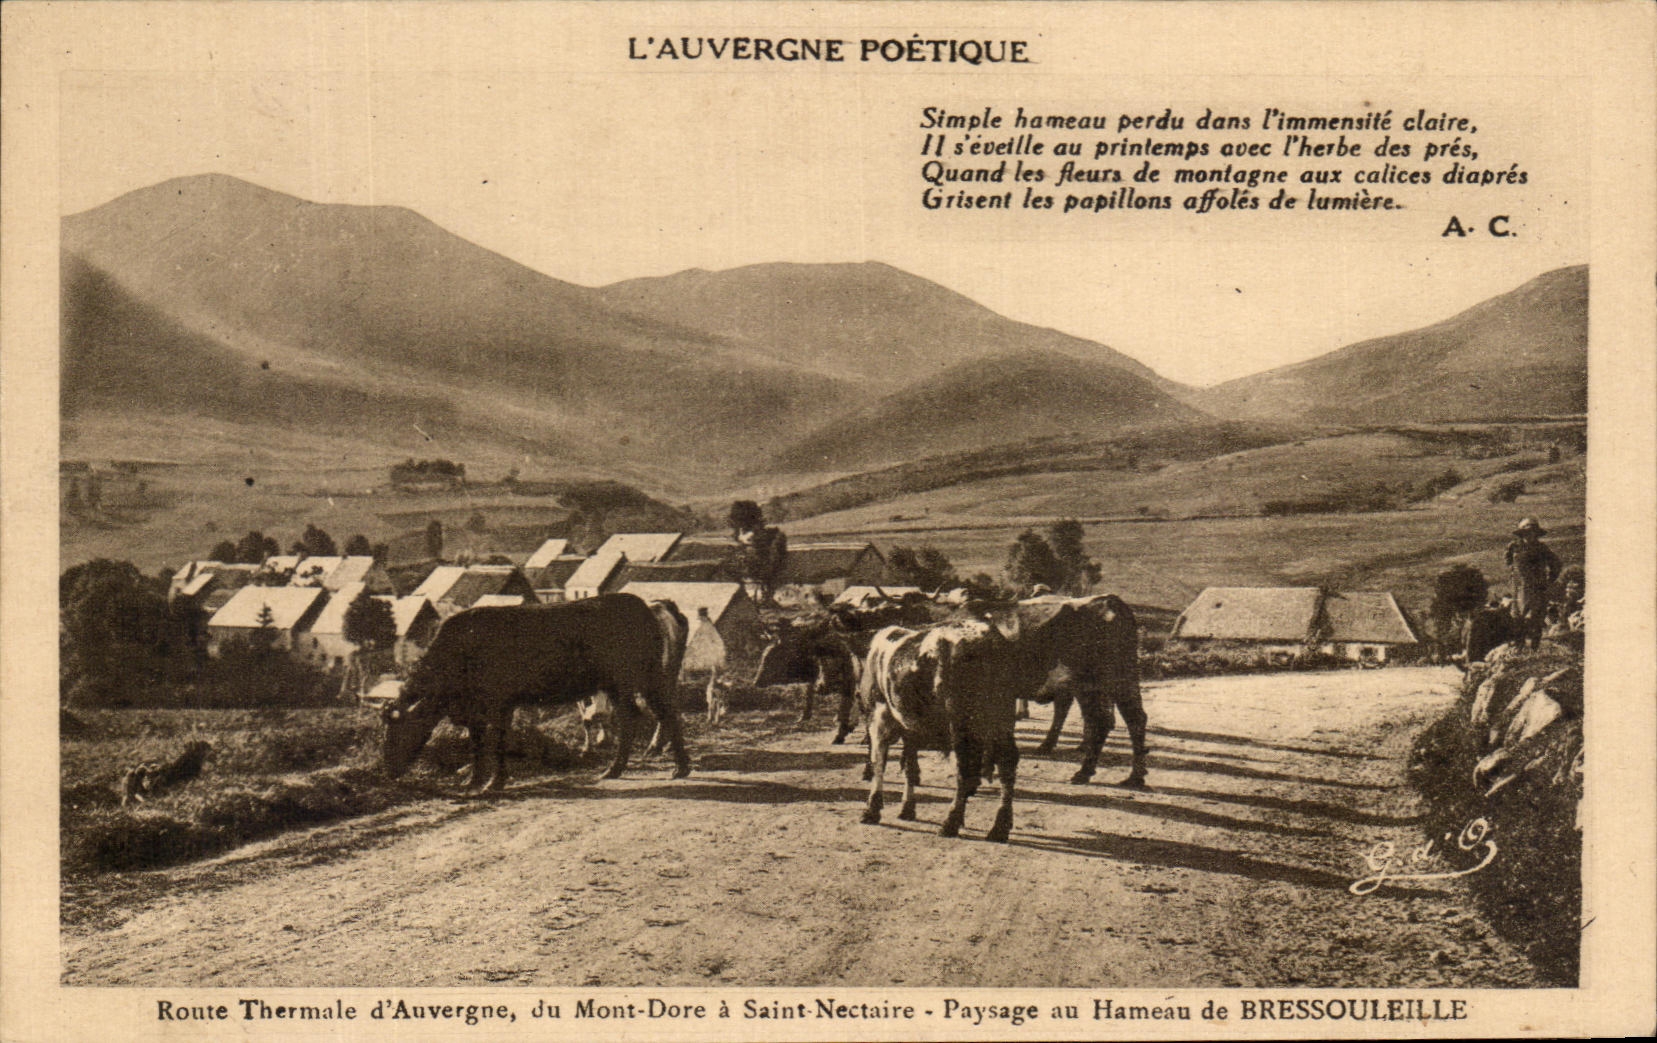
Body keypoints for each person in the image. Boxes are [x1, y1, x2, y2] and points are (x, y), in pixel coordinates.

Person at [1505, 517, 1561, 650]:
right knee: (1517, 618)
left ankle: (1533, 649)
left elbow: (1556, 564)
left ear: (1536, 534)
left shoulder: (1542, 549)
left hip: (1537, 589)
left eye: (1533, 533)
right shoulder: (1514, 547)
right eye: (1526, 533)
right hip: (1519, 588)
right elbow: (1508, 561)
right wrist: (1513, 573)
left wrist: (1549, 581)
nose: (1530, 536)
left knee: (1535, 619)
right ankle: (1518, 648)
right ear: (1522, 534)